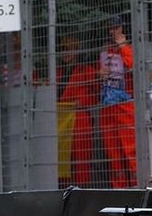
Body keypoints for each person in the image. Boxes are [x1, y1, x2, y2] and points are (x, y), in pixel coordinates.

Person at [99, 15, 137, 188]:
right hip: (109, 106)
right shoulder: (106, 50)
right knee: (114, 155)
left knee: (130, 151)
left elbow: (134, 66)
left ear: (123, 29)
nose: (113, 31)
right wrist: (99, 75)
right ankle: (119, 190)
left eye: (116, 28)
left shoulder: (129, 48)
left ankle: (137, 187)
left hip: (126, 105)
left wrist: (122, 45)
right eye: (111, 28)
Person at [58, 36, 97, 186]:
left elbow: (94, 96)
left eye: (69, 50)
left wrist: (81, 103)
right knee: (63, 161)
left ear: (77, 51)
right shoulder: (59, 72)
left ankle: (81, 192)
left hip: (79, 120)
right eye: (63, 50)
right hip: (62, 121)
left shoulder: (87, 70)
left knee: (80, 161)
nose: (65, 53)